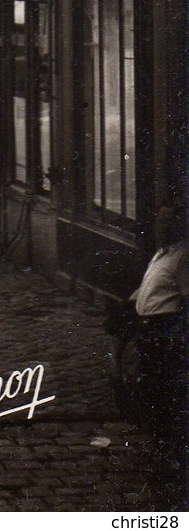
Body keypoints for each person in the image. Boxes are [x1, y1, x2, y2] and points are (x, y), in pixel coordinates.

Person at [131, 201, 189, 505]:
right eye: (159, 221)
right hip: (149, 332)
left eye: (168, 222)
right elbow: (149, 288)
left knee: (168, 401)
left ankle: (173, 467)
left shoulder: (182, 257)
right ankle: (163, 457)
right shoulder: (161, 254)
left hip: (166, 333)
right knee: (153, 396)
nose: (161, 227)